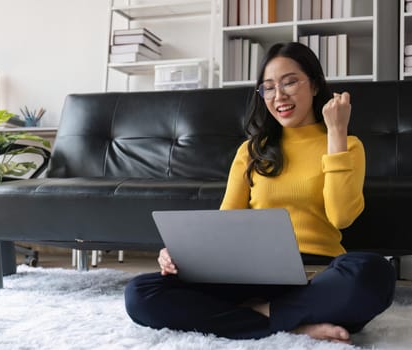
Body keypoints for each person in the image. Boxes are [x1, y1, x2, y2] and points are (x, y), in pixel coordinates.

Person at [124, 42, 396, 343]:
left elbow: (342, 216)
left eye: (290, 82)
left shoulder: (347, 144)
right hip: (249, 273)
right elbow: (225, 224)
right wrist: (182, 254)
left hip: (316, 274)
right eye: (268, 88)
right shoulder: (251, 150)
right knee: (140, 293)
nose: (279, 96)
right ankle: (292, 323)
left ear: (315, 84)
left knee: (374, 273)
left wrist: (336, 134)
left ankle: (259, 314)